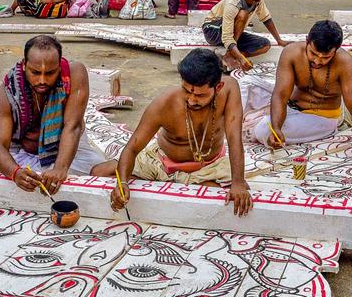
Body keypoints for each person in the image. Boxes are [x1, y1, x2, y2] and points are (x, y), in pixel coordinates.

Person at [97, 49, 252, 216]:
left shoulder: (229, 89)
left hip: (209, 166)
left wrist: (238, 182)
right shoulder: (164, 104)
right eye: (187, 91)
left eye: (200, 95)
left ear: (218, 87)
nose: (192, 100)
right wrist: (123, 184)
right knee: (99, 174)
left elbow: (235, 137)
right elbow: (132, 149)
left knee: (233, 198)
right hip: (161, 163)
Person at [0, 35, 110, 194]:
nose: (42, 80)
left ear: (59, 67)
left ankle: (50, 170)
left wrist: (60, 168)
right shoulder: (7, 92)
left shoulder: (74, 73)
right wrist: (15, 173)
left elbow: (72, 126)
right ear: (25, 65)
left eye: (50, 73)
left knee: (96, 171)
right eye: (35, 72)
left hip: (67, 148)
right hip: (21, 148)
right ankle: (42, 170)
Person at [250, 21, 352, 164]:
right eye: (313, 53)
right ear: (307, 41)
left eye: (326, 57)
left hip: (321, 118)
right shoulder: (291, 52)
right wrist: (276, 128)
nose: (318, 61)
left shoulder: (346, 64)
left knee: (263, 129)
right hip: (292, 106)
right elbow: (281, 95)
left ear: (336, 50)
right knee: (247, 83)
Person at [201, 0, 288, 72]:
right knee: (243, 14)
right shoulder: (233, 3)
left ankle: (235, 55)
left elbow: (266, 18)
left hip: (232, 33)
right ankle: (230, 55)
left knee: (265, 45)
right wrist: (241, 59)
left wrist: (279, 40)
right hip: (212, 30)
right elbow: (227, 37)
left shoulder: (258, 1)